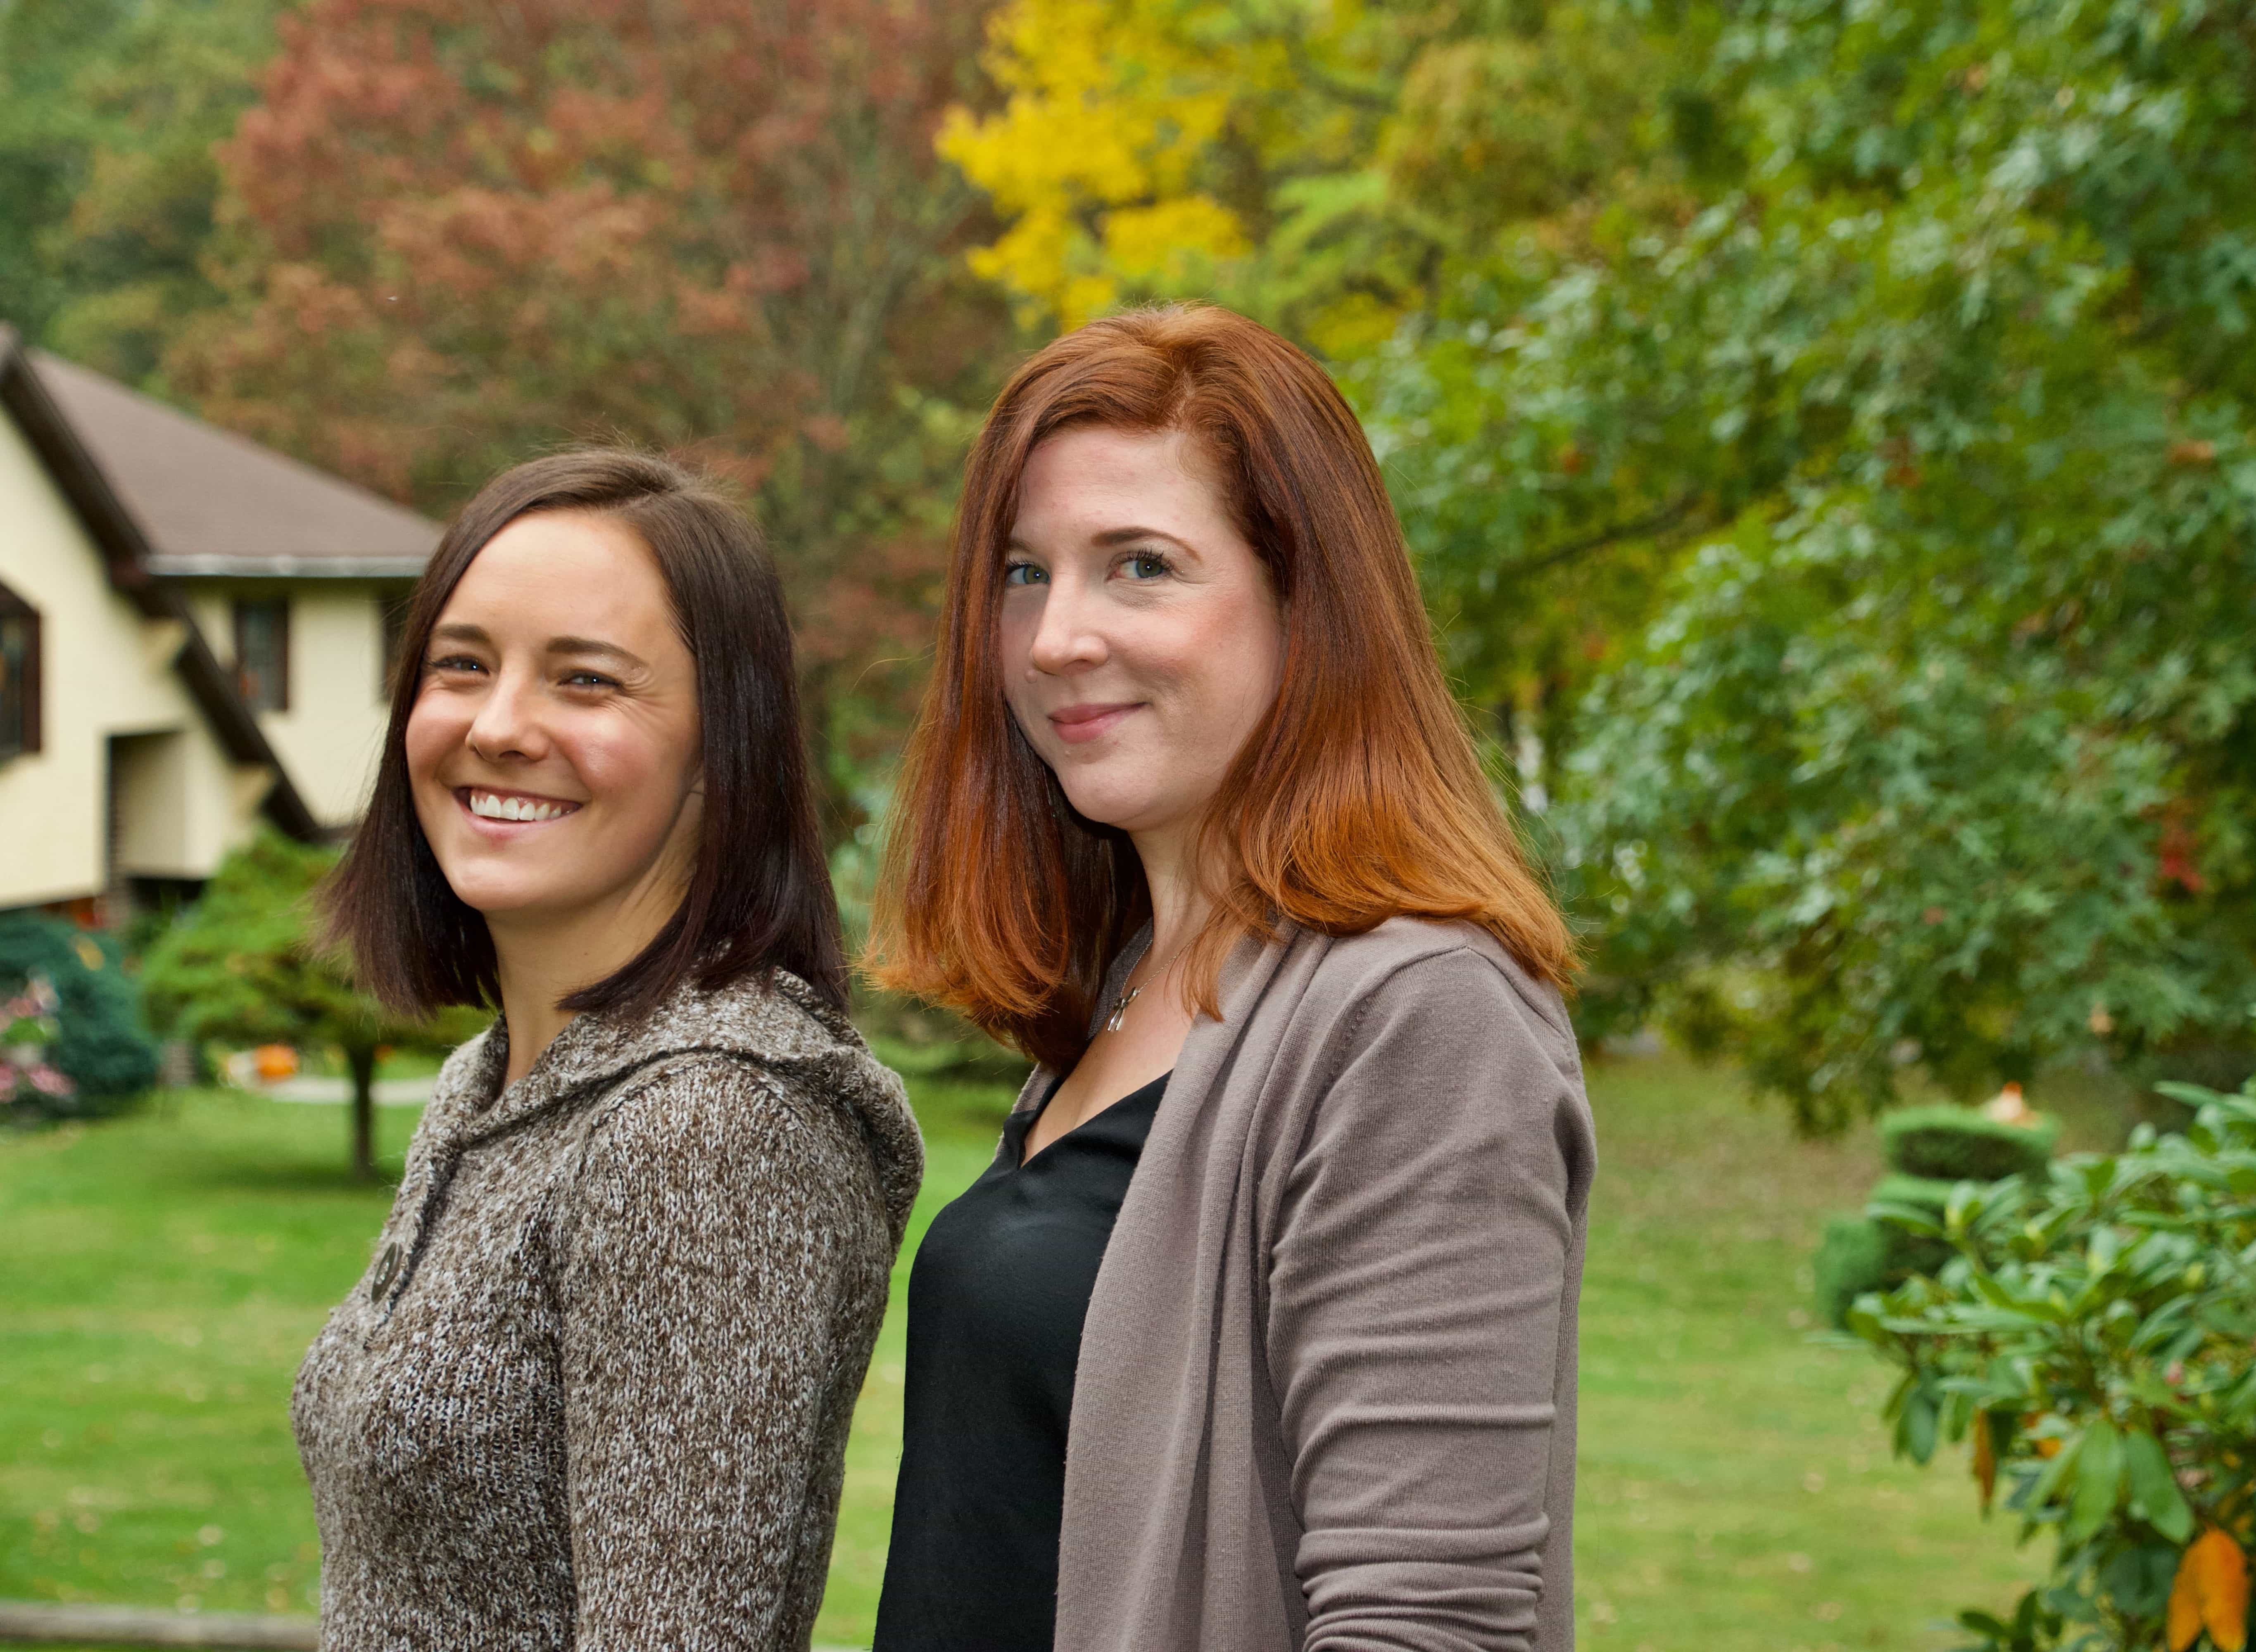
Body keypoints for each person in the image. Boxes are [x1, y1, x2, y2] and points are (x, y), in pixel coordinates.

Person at [869, 306, 1596, 1651]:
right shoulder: (1132, 989)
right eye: (1023, 573)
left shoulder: (1417, 1015)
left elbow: (1427, 1623)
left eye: (1140, 566)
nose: (1054, 638)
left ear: (1304, 601)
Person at [296, 450, 922, 1651]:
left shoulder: (706, 1133)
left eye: (586, 681)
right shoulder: (492, 1084)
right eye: (461, 665)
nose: (498, 727)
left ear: (722, 749)